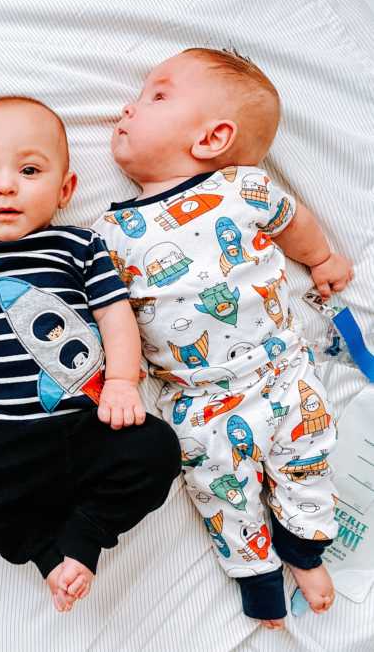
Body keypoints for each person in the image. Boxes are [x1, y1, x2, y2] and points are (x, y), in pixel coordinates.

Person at [94, 48, 353, 628]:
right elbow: (106, 310)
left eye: (157, 96)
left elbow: (294, 223)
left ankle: (305, 548)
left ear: (211, 139)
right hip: (199, 399)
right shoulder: (108, 232)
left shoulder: (244, 187)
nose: (127, 107)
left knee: (309, 457)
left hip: (281, 371)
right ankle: (257, 578)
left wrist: (322, 258)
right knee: (219, 492)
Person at [0, 96, 181, 613]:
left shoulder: (80, 246)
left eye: (29, 170)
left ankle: (86, 535)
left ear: (65, 189)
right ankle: (46, 553)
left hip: (87, 423)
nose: (6, 186)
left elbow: (114, 315)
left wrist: (124, 382)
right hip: (1, 440)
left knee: (158, 449)